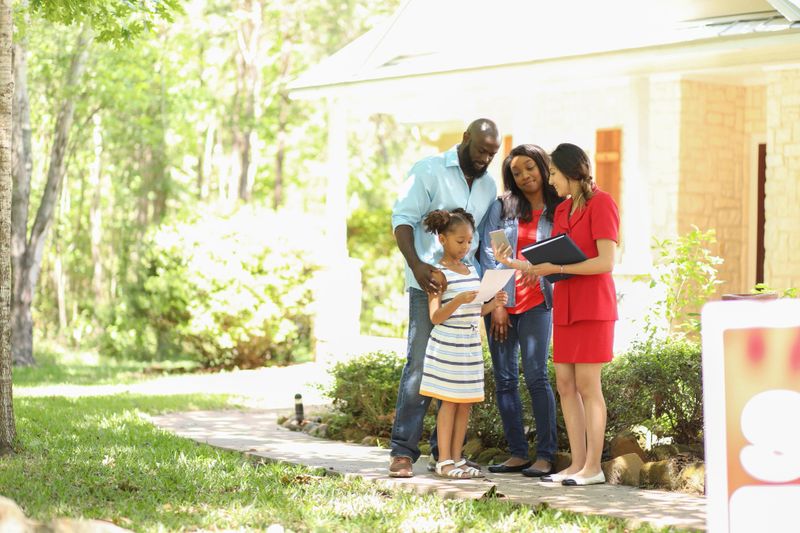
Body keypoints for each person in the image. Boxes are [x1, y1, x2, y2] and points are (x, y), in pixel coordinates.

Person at [493, 143, 619, 486]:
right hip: (564, 305)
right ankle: (578, 464)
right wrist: (515, 264)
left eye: (552, 172)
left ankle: (593, 467)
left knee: (588, 385)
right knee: (565, 384)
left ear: (570, 170)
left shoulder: (602, 203)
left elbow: (606, 262)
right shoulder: (562, 211)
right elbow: (546, 263)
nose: (549, 179)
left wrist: (557, 266)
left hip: (593, 306)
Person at [389, 119, 501, 478]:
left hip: (466, 290)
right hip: (432, 286)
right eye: (482, 150)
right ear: (466, 139)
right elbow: (402, 220)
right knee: (420, 366)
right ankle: (403, 452)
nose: (486, 158)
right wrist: (418, 265)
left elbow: (481, 239)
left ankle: (446, 457)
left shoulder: (488, 186)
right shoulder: (429, 170)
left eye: (492, 153)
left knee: (458, 375)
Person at [479, 144, 562, 477]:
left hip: (539, 302)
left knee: (537, 376)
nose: (525, 175)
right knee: (504, 380)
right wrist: (498, 301)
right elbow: (490, 251)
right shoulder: (503, 208)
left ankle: (545, 454)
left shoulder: (560, 209)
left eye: (530, 167)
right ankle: (517, 453)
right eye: (516, 172)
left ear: (542, 166)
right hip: (503, 302)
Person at [418, 209, 508, 478]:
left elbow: (474, 310)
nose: (466, 246)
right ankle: (443, 460)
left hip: (469, 344)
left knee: (464, 403)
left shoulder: (471, 269)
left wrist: (493, 304)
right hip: (447, 345)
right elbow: (435, 317)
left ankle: (457, 458)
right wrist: (457, 300)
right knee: (448, 403)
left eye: (469, 241)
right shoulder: (437, 274)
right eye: (460, 241)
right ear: (443, 239)